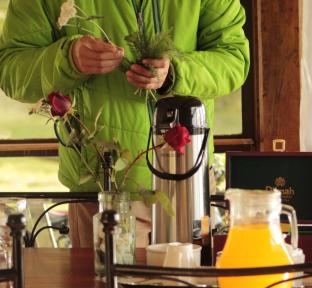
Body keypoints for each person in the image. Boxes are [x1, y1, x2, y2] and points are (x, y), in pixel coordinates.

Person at [0, 0, 250, 247]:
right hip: (100, 186)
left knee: (186, 286)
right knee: (100, 286)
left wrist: (176, 73)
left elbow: (233, 58)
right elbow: (12, 70)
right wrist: (68, 59)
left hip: (187, 182)